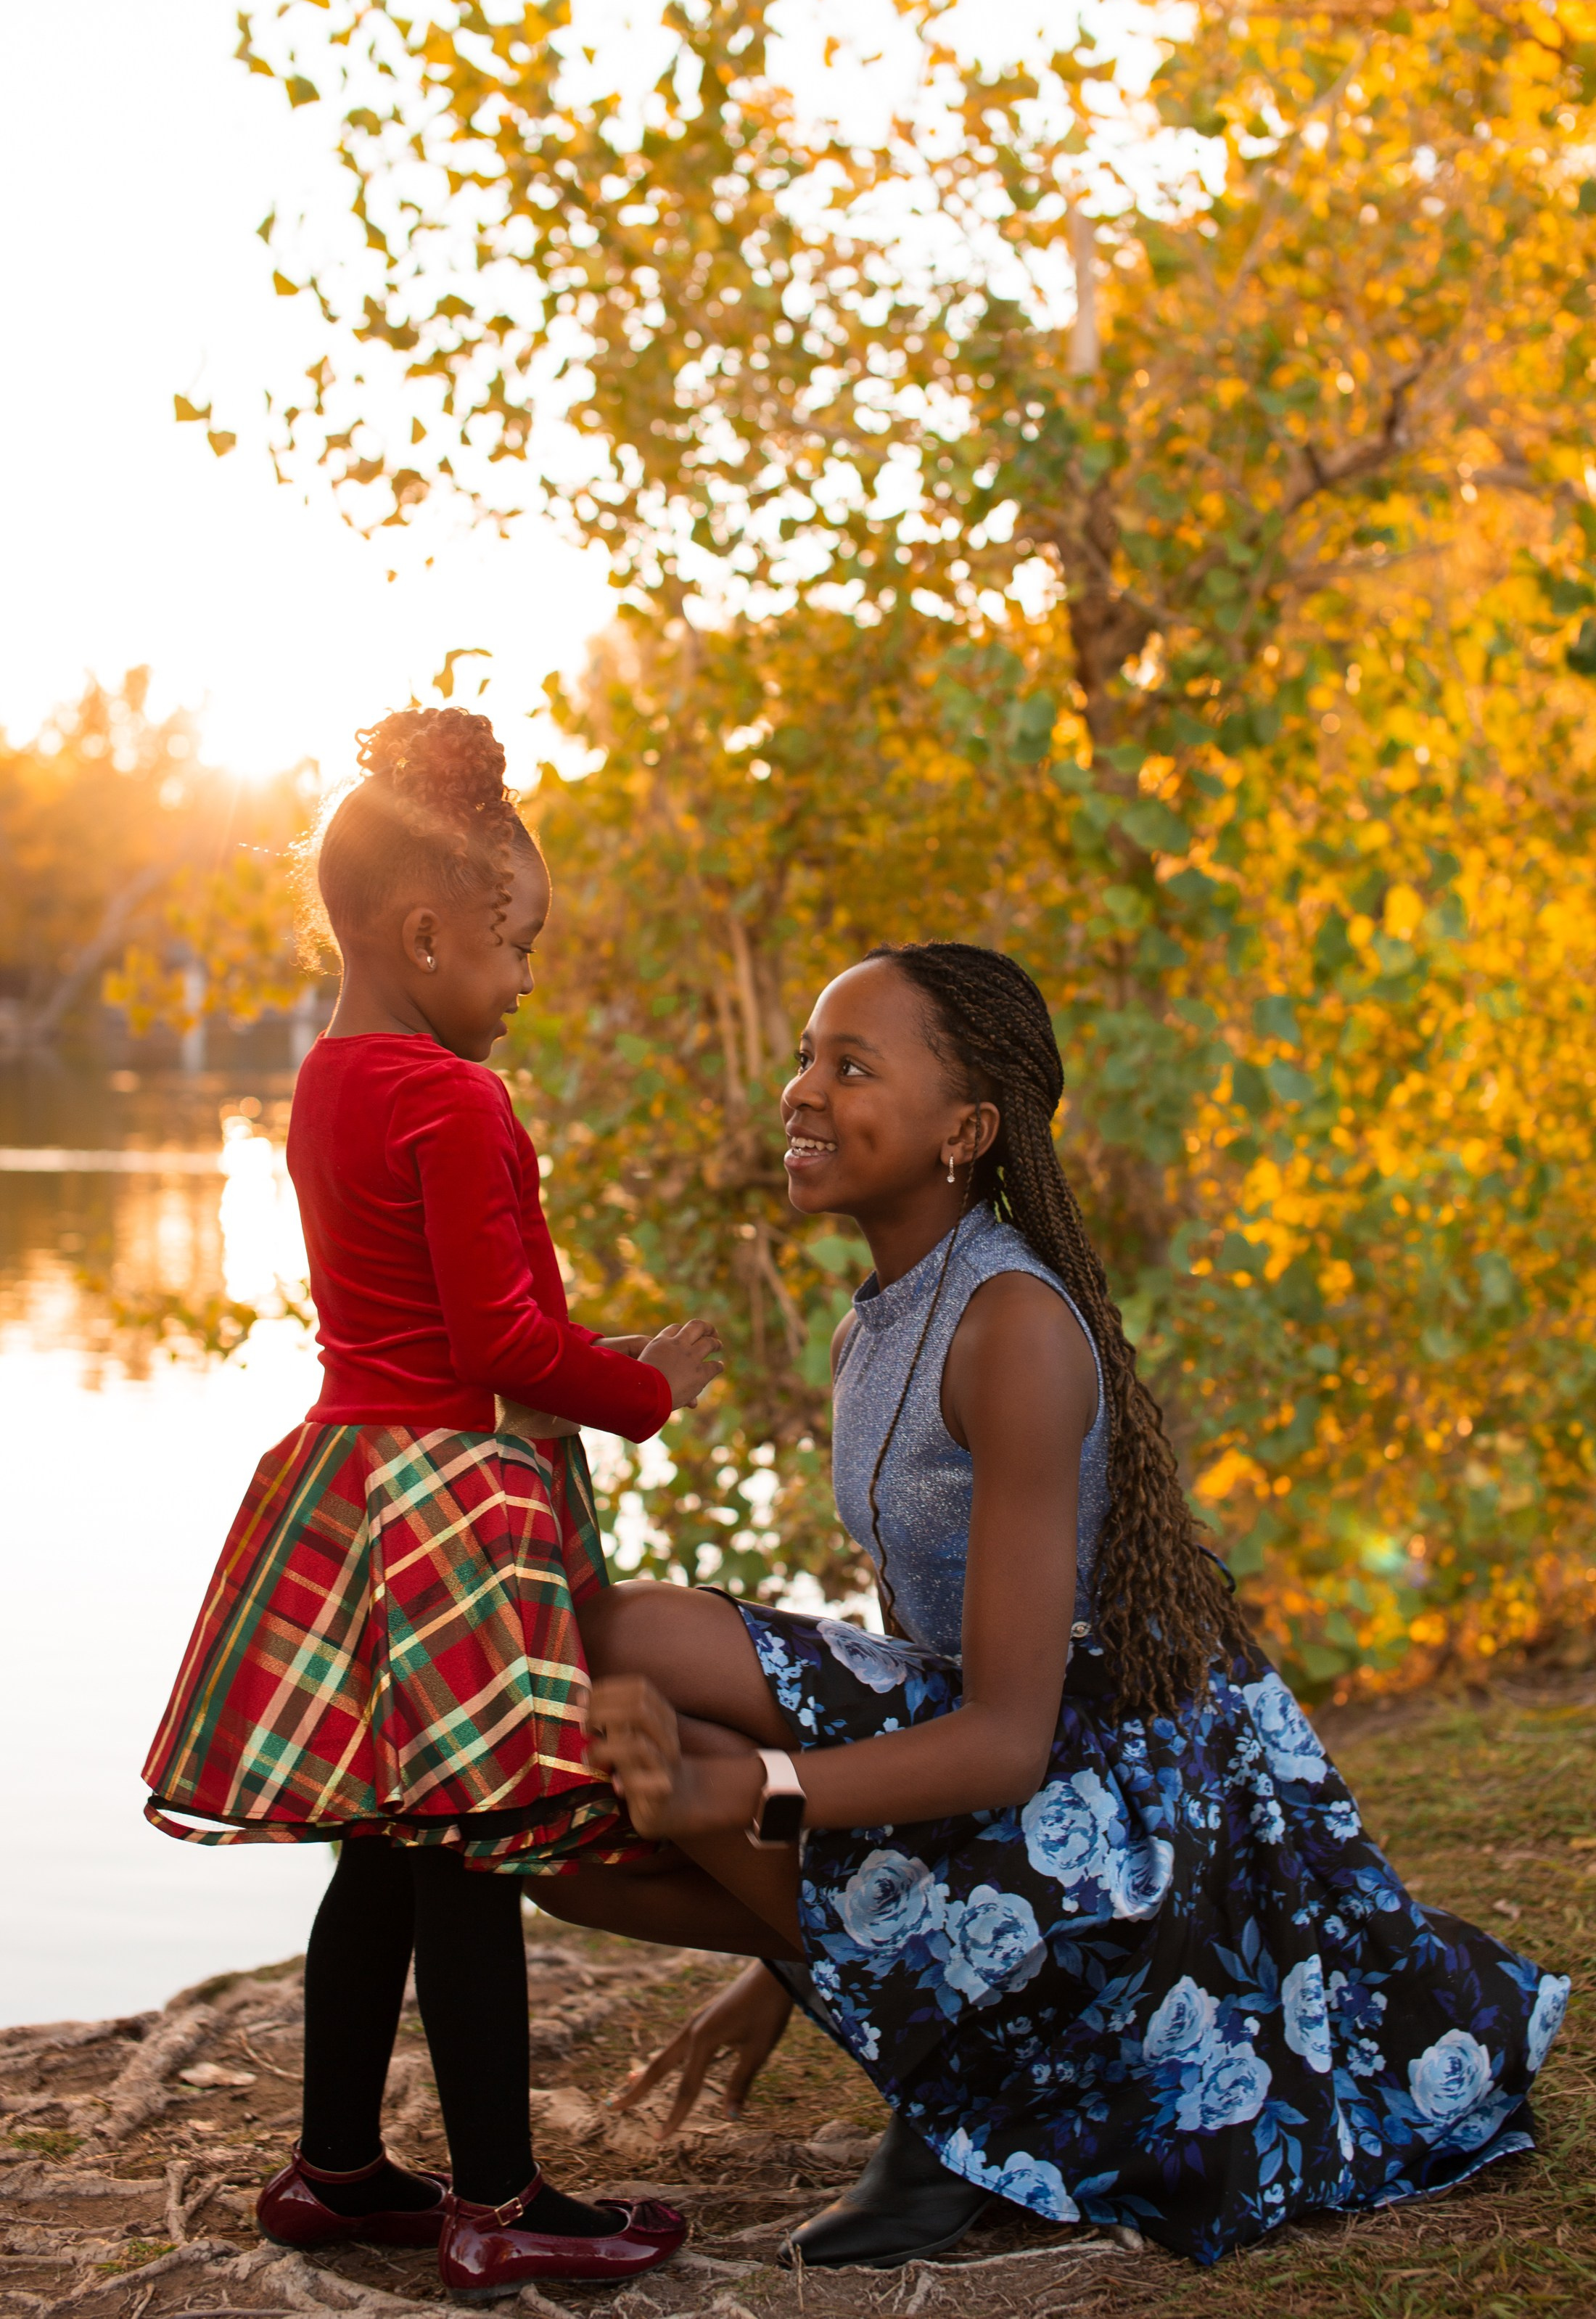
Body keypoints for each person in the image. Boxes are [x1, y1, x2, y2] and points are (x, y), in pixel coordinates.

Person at [531, 940, 1569, 2270]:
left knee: (639, 1643)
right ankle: (942, 2043)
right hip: (1014, 1767)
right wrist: (779, 1962)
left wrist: (743, 1798)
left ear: (965, 1131)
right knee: (566, 1852)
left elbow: (1005, 1741)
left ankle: (960, 2110)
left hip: (1121, 1798)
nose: (801, 1091)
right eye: (804, 1057)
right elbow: (910, 1667)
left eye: (852, 1066)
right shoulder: (870, 1326)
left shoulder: (1012, 1324)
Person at [142, 708, 720, 2297]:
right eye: (515, 944)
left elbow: (427, 1319)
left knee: (382, 1851)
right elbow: (498, 1348)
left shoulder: (328, 1079)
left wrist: (587, 1358)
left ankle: (335, 2173)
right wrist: (648, 1388)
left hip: (347, 1484)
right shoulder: (458, 1100)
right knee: (470, 1853)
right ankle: (501, 2201)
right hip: (452, 1504)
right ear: (424, 935)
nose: (526, 978)